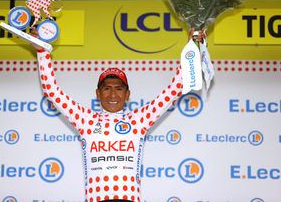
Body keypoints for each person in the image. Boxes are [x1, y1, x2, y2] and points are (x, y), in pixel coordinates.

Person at [32, 28, 203, 202]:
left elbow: (174, 89)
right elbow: (51, 91)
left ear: (128, 94)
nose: (113, 95)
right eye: (107, 89)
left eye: (119, 89)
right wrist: (42, 52)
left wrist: (194, 46)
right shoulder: (85, 120)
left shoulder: (138, 120)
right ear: (98, 94)